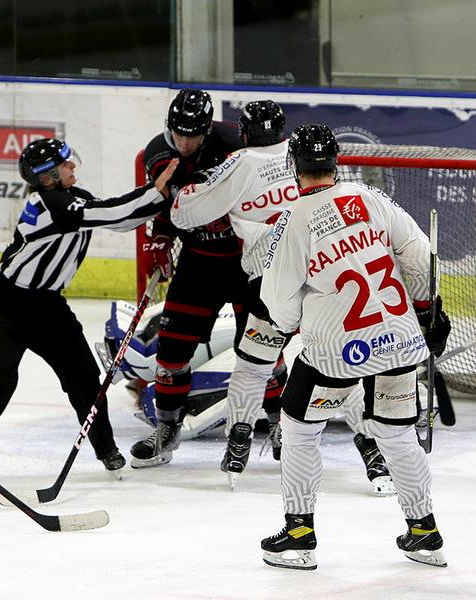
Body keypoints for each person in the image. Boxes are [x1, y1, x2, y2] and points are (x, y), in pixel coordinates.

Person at [170, 100, 396, 494]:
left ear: (244, 133)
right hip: (326, 282)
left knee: (254, 361)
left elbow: (183, 214)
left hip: (272, 284)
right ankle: (373, 453)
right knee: (338, 367)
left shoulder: (240, 163)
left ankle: (238, 439)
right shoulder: (329, 176)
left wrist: (189, 189)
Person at [258, 123, 452, 570]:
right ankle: (425, 532)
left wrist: (299, 323)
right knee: (398, 435)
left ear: (294, 166)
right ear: (335, 162)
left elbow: (277, 302)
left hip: (335, 351)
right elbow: (420, 253)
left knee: (300, 429)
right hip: (399, 341)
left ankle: (299, 534)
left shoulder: (293, 219)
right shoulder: (370, 197)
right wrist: (426, 310)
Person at [0, 138, 178, 496]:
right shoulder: (53, 206)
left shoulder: (70, 197)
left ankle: (105, 448)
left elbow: (117, 219)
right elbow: (111, 212)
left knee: (83, 374)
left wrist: (158, 205)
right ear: (47, 178)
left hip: (48, 307)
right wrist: (156, 192)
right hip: (9, 305)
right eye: (65, 166)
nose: (73, 168)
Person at [131, 89, 285, 468]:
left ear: (208, 128)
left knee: (261, 350)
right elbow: (167, 205)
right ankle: (167, 430)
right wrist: (160, 240)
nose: (185, 143)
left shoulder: (236, 145)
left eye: (194, 135)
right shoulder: (157, 153)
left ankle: (280, 425)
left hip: (245, 263)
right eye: (179, 134)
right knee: (171, 352)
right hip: (199, 264)